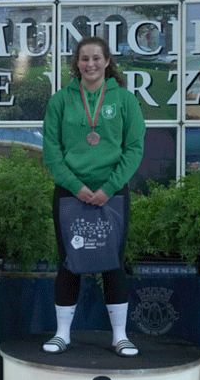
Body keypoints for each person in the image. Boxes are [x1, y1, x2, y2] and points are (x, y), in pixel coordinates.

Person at [41, 36, 145, 357]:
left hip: (112, 194)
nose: (90, 64)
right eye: (84, 59)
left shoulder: (125, 100)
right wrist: (75, 186)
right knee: (69, 262)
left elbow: (134, 149)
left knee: (113, 263)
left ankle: (120, 336)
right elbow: (52, 151)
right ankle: (62, 334)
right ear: (76, 63)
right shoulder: (60, 100)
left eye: (96, 58)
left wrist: (108, 188)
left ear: (108, 61)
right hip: (70, 193)